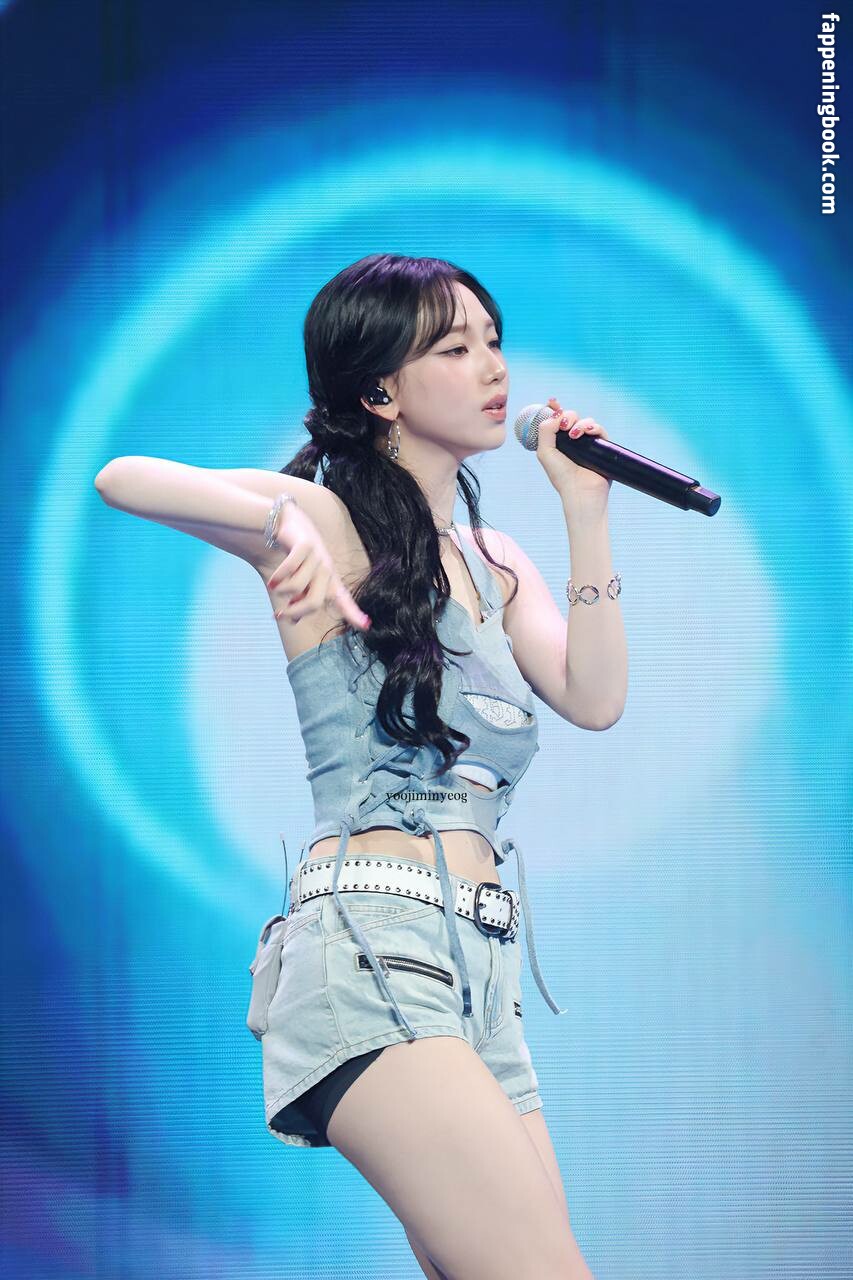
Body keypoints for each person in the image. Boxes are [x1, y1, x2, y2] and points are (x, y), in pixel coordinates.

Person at [94, 253, 627, 1279]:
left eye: (493, 341)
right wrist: (275, 525)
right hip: (374, 945)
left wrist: (586, 514)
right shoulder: (325, 520)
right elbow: (123, 478)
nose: (493, 367)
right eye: (454, 347)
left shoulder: (494, 561)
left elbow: (596, 698)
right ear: (380, 390)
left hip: (483, 974)